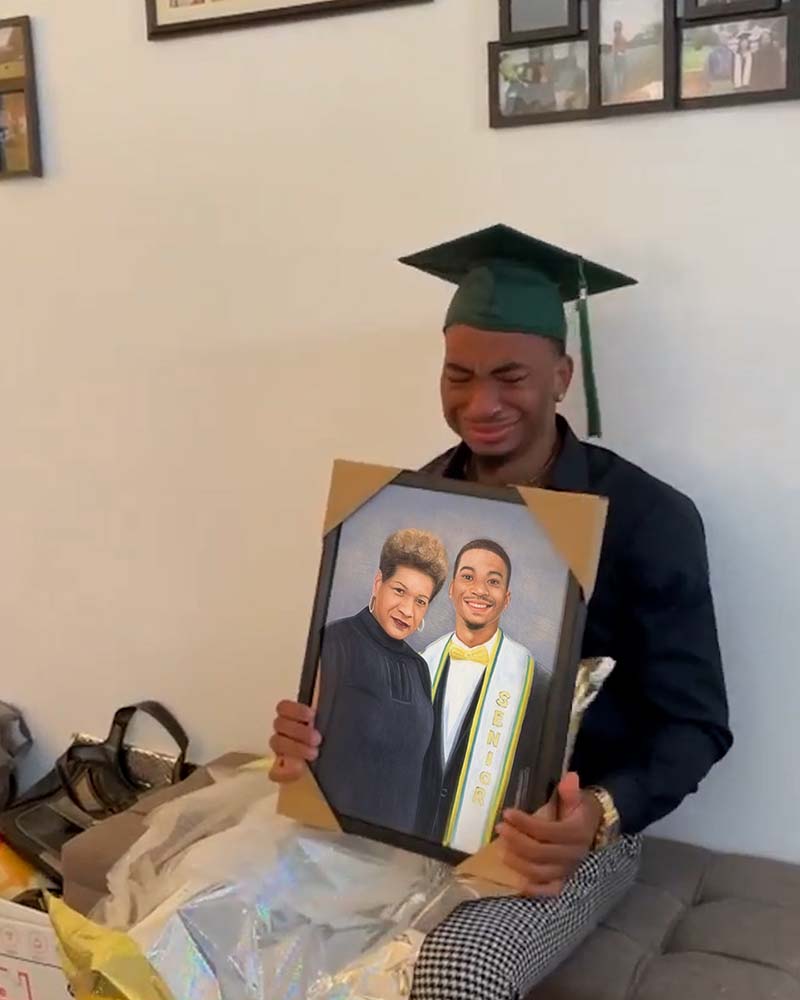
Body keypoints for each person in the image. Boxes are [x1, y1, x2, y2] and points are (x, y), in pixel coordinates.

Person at [270, 223, 732, 1000]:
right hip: (403, 803)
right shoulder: (405, 507)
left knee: (452, 973)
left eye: (511, 377)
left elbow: (697, 724)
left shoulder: (648, 517)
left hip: (562, 834)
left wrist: (599, 815)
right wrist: (314, 736)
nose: (480, 404)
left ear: (562, 374)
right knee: (233, 906)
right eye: (458, 375)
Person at [291, 528, 449, 836]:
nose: (407, 610)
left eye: (420, 601)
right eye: (400, 591)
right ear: (379, 583)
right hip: (326, 843)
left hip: (396, 856)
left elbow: (424, 773)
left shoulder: (420, 670)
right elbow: (302, 757)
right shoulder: (334, 644)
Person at [416, 539, 535, 855]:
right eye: (468, 577)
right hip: (408, 843)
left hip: (485, 857)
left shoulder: (533, 681)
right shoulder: (417, 666)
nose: (480, 590)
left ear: (506, 599)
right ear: (452, 588)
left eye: (493, 582)